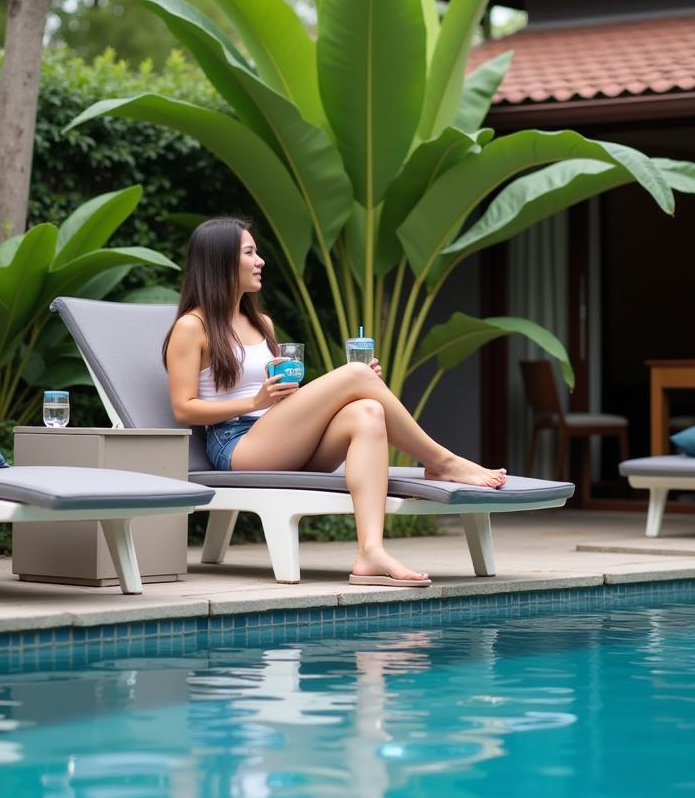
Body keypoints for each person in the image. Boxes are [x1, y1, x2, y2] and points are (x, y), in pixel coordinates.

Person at [163, 217, 507, 588]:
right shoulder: (191, 327)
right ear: (221, 262)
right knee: (356, 377)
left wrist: (299, 393)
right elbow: (184, 408)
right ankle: (442, 462)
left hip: (277, 434)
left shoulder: (262, 322)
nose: (260, 260)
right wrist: (254, 400)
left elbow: (285, 398)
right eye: (250, 253)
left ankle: (370, 552)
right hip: (236, 443)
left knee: (368, 412)